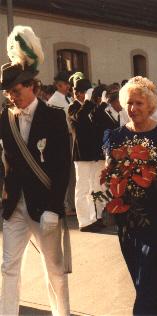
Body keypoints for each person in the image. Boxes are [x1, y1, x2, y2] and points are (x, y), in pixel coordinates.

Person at [0, 25, 71, 316]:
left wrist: (55, 207)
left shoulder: (54, 117)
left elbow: (62, 166)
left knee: (54, 270)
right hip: (15, 204)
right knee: (8, 267)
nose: (13, 98)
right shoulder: (5, 118)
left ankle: (61, 314)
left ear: (34, 87)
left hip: (44, 208)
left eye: (17, 91)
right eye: (8, 93)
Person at [103, 76, 157, 315]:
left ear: (150, 105)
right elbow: (109, 172)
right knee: (141, 279)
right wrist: (110, 175)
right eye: (129, 103)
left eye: (138, 103)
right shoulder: (114, 136)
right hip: (129, 220)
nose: (133, 109)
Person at [68, 76, 105, 232]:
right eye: (77, 92)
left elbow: (101, 123)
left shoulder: (92, 107)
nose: (80, 95)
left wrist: (102, 104)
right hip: (82, 154)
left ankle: (97, 216)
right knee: (82, 188)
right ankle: (84, 221)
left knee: (97, 186)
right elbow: (80, 119)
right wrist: (89, 102)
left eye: (84, 92)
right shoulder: (73, 108)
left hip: (96, 153)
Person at [47, 71, 76, 216]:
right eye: (65, 84)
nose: (68, 86)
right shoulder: (54, 100)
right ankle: (64, 204)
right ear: (59, 85)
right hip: (62, 138)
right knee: (64, 171)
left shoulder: (67, 99)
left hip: (72, 136)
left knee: (72, 172)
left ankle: (71, 203)